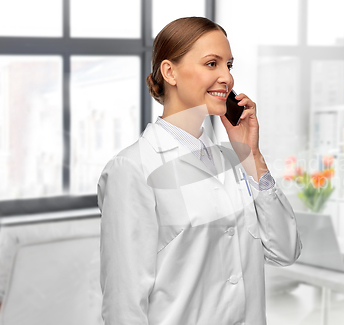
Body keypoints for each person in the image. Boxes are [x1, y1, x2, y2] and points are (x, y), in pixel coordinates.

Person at [97, 16, 302, 325]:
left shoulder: (233, 161)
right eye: (211, 64)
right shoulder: (133, 168)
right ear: (170, 72)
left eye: (229, 66)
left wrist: (252, 154)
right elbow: (123, 304)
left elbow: (285, 251)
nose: (227, 78)